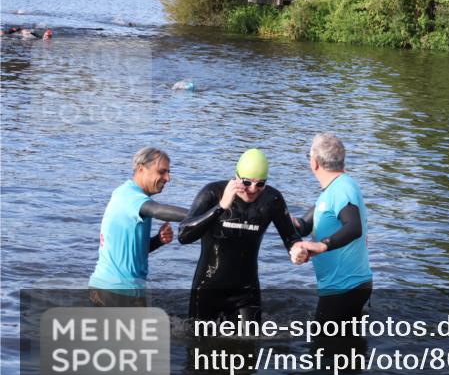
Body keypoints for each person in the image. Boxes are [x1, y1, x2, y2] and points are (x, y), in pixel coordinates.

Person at [178, 148, 301, 323]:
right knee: (200, 345)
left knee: (250, 345)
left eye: (260, 184)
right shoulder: (213, 193)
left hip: (246, 292)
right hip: (208, 288)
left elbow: (290, 237)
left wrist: (296, 249)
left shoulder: (272, 199)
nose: (252, 189)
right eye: (246, 182)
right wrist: (220, 206)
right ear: (236, 177)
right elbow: (183, 235)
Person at [89, 147, 187, 306]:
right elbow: (158, 210)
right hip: (115, 291)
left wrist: (158, 240)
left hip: (117, 289)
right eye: (161, 172)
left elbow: (132, 251)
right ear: (141, 169)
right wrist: (203, 214)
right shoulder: (130, 196)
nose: (167, 178)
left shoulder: (129, 195)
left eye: (168, 172)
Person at [290, 134, 372, 323]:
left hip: (345, 287)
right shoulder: (334, 189)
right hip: (346, 287)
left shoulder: (342, 189)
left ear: (314, 163)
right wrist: (279, 214)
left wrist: (321, 246)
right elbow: (303, 226)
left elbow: (354, 227)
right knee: (347, 346)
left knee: (324, 347)